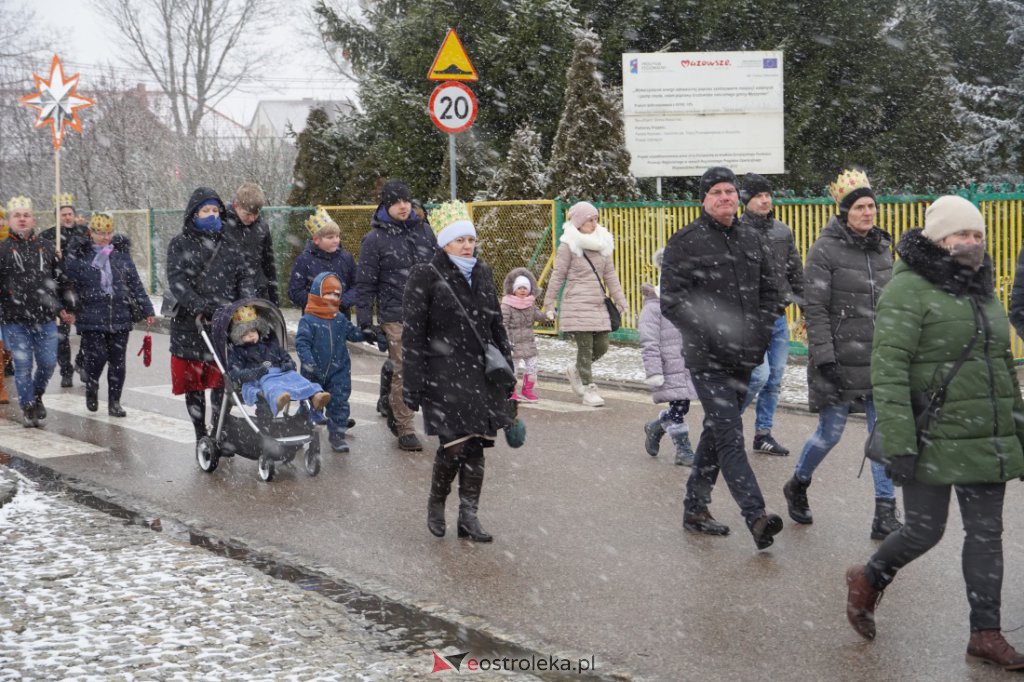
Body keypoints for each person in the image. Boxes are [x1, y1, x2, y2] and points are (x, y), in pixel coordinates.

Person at [845, 196, 1024, 669]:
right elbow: (889, 369)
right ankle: (869, 577)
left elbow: (1002, 366)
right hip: (932, 432)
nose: (971, 243)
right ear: (938, 239)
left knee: (986, 534)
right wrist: (900, 442)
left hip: (984, 434)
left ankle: (985, 634)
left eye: (978, 235)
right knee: (925, 531)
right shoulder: (907, 290)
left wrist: (1018, 430)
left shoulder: (983, 290)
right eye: (961, 235)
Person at [660, 166, 785, 550]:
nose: (726, 197)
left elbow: (770, 291)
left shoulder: (752, 238)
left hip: (745, 358)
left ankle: (695, 509)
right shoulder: (686, 242)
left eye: (730, 191)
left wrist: (760, 332)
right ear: (704, 199)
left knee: (717, 432)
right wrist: (712, 331)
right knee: (731, 435)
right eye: (717, 192)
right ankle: (757, 516)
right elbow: (672, 301)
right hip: (707, 359)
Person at [781, 169, 901, 540]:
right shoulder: (824, 249)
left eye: (872, 206)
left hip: (878, 357)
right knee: (829, 434)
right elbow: (814, 308)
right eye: (861, 207)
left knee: (881, 433)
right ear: (845, 211)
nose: (868, 213)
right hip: (836, 357)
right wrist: (825, 357)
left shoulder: (883, 247)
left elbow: (894, 303)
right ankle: (798, 482)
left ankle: (885, 512)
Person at [403, 201, 513, 542]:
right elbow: (413, 333)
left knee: (476, 445)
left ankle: (469, 516)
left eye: (470, 239)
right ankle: (437, 503)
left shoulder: (482, 271)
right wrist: (412, 383)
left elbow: (495, 322)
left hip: (480, 373)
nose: (467, 245)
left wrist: (506, 367)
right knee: (454, 445)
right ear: (444, 243)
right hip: (443, 374)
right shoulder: (426, 274)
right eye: (459, 240)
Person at [166, 187, 254, 442]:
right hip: (191, 323)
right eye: (206, 210)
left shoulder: (230, 243)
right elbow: (177, 281)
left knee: (221, 381)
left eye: (216, 210)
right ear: (194, 213)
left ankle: (219, 429)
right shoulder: (179, 243)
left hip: (223, 321)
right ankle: (199, 432)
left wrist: (244, 303)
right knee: (194, 385)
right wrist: (199, 305)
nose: (212, 215)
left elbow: (244, 275)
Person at [356, 180, 436, 451]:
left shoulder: (425, 231)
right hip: (395, 313)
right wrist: (365, 321)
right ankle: (405, 427)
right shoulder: (374, 240)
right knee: (404, 367)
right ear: (386, 205)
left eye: (406, 201)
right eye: (396, 202)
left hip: (426, 311)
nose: (403, 206)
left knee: (430, 367)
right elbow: (366, 283)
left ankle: (392, 405)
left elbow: (439, 270)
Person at [738, 173, 804, 455]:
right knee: (758, 376)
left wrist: (806, 306)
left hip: (777, 317)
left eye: (767, 194)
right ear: (746, 201)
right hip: (749, 320)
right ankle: (724, 424)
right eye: (758, 196)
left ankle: (763, 434)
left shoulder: (782, 232)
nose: (765, 200)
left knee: (775, 377)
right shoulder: (737, 232)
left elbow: (795, 270)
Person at [64, 212, 155, 416]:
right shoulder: (81, 255)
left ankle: (115, 402)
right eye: (100, 233)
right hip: (91, 315)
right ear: (91, 233)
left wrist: (147, 308)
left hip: (120, 314)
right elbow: (69, 283)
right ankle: (92, 387)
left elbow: (135, 284)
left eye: (108, 232)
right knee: (97, 358)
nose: (105, 237)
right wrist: (70, 306)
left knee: (118, 361)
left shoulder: (120, 255)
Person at [542, 201, 628, 407]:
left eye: (596, 219)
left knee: (603, 346)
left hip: (597, 303)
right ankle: (589, 389)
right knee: (586, 346)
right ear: (579, 222)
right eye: (590, 219)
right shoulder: (568, 245)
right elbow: (558, 275)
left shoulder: (603, 243)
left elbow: (610, 275)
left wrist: (620, 299)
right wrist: (549, 302)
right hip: (576, 303)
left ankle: (577, 370)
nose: (594, 223)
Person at [0, 196, 76, 427]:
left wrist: (66, 307)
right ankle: (27, 405)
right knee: (22, 366)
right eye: (17, 216)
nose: (22, 219)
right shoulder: (2, 250)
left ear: (33, 220)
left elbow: (60, 279)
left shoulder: (47, 247)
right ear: (10, 221)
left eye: (26, 215)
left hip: (44, 318)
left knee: (47, 362)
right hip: (14, 319)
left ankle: (37, 394)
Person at [295, 273, 372, 453]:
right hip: (313, 371)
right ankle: (300, 426)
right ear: (317, 293)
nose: (333, 298)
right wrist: (308, 362)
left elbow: (351, 333)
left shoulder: (339, 319)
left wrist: (366, 334)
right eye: (329, 293)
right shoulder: (308, 320)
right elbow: (302, 343)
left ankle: (337, 435)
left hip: (339, 370)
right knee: (311, 404)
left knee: (339, 402)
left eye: (337, 295)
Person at [639, 248, 697, 466]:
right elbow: (649, 343)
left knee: (683, 406)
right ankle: (683, 450)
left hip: (689, 365)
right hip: (667, 367)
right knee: (680, 407)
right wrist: (654, 372)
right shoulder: (653, 309)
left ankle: (656, 426)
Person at [227, 304, 331, 418]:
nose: (251, 335)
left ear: (258, 330)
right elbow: (234, 373)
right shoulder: (238, 352)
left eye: (253, 330)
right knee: (270, 385)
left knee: (297, 378)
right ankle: (278, 398)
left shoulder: (271, 346)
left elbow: (287, 359)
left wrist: (288, 365)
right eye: (245, 333)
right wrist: (255, 373)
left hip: (282, 374)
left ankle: (315, 395)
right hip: (259, 378)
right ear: (238, 336)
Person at [39, 192, 88, 388]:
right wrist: (53, 254)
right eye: (63, 214)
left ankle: (82, 364)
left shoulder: (84, 232)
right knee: (62, 336)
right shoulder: (48, 236)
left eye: (69, 213)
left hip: (82, 288)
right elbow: (42, 262)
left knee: (88, 332)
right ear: (57, 216)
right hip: (60, 290)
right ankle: (65, 370)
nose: (67, 217)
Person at [288, 208, 358, 317]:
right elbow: (295, 291)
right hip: (313, 319)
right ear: (316, 239)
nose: (336, 240)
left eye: (337, 236)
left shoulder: (346, 258)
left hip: (341, 317)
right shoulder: (304, 260)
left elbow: (357, 286)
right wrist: (319, 303)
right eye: (330, 237)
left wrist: (341, 302)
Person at [222, 182, 279, 305]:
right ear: (236, 205)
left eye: (256, 214)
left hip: (258, 292)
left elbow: (269, 264)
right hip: (229, 295)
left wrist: (274, 298)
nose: (252, 218)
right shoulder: (221, 225)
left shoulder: (262, 228)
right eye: (247, 214)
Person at [500, 267, 546, 402]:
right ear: (514, 289)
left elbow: (540, 317)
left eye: (525, 288)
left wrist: (549, 315)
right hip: (513, 343)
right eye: (519, 288)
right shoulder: (507, 305)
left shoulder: (530, 304)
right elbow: (503, 324)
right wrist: (506, 340)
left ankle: (527, 390)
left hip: (528, 343)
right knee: (512, 369)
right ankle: (511, 391)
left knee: (532, 367)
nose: (522, 290)